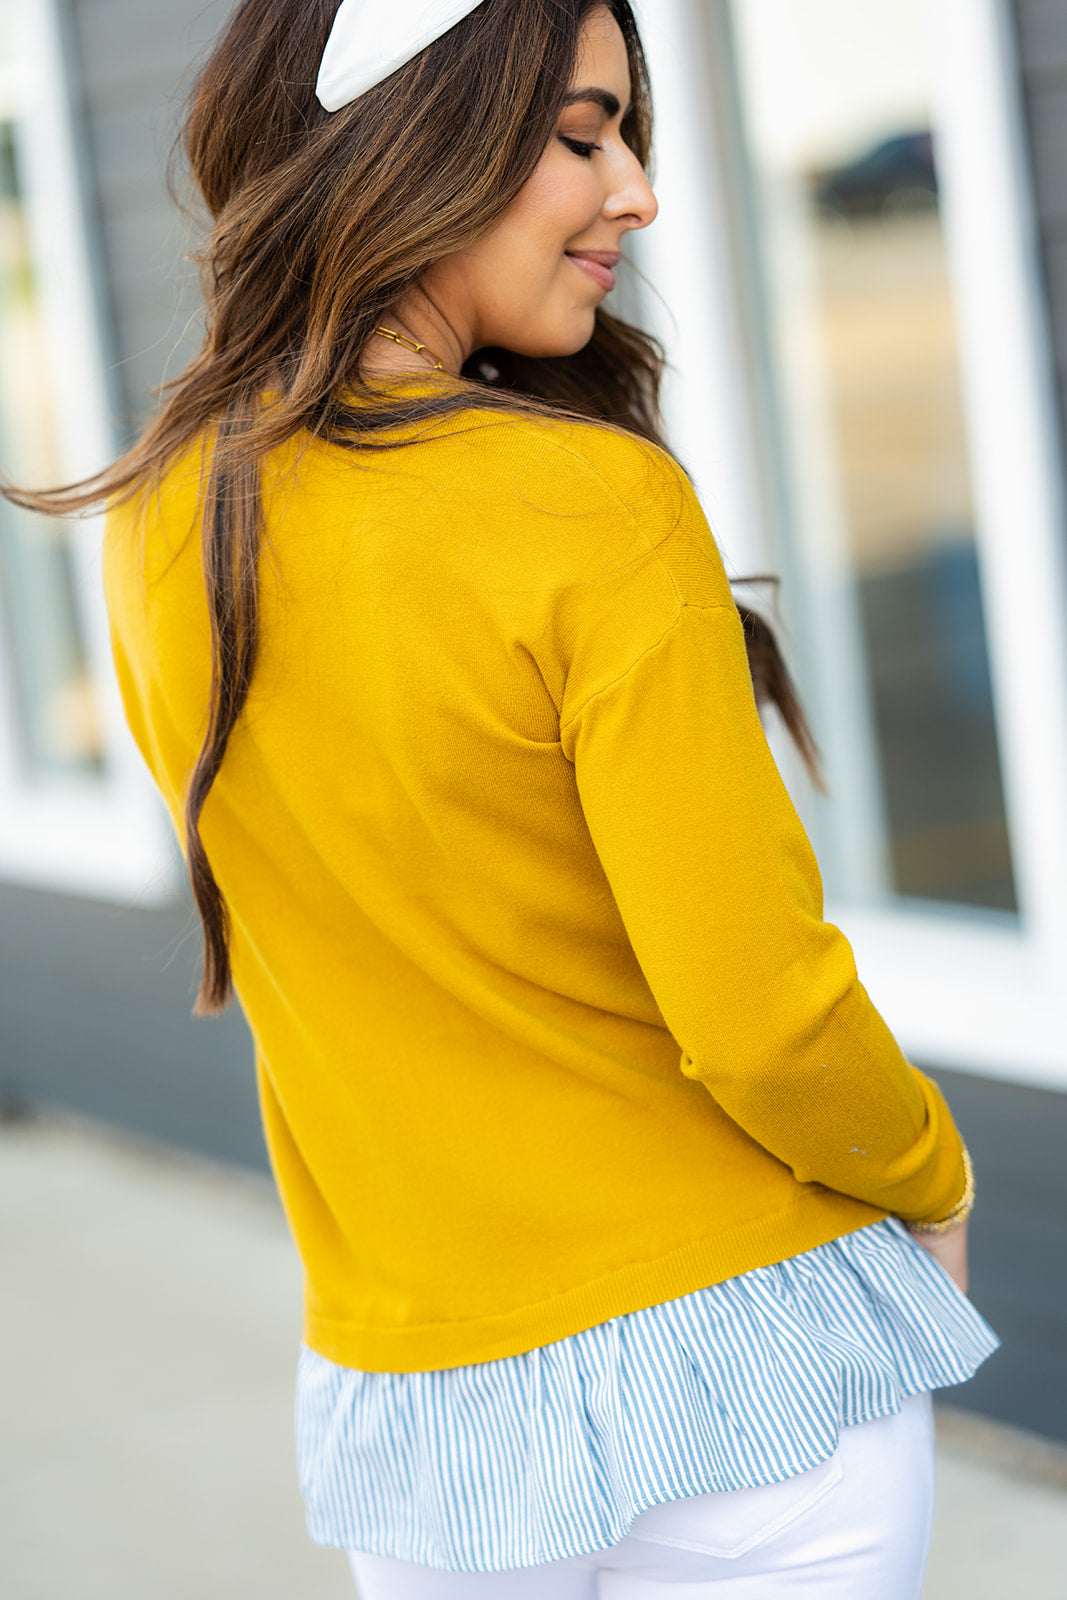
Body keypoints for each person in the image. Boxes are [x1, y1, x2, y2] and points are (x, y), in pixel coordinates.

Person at [4, 0, 997, 1594]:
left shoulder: (167, 517)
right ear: (418, 135)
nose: (638, 194)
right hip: (742, 1360)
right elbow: (762, 1016)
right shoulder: (592, 505)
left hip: (421, 1405)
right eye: (584, 136)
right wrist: (932, 1174)